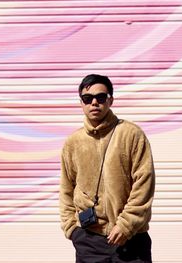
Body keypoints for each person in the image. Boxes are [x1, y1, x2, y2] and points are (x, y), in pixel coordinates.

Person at [59, 74, 155, 262]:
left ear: (110, 100)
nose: (94, 102)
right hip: (89, 240)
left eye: (100, 97)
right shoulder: (73, 142)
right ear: (81, 103)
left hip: (131, 238)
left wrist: (126, 225)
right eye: (88, 99)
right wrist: (71, 228)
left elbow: (144, 183)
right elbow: (66, 188)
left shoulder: (131, 134)